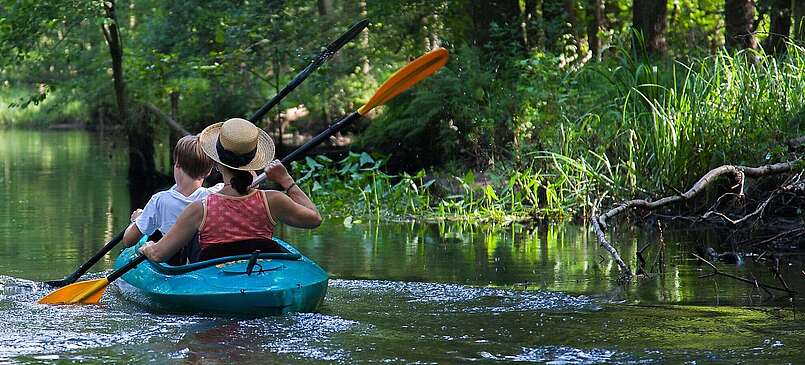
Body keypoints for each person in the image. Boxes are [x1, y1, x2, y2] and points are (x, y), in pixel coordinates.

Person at [138, 117, 321, 263]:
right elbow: (314, 219)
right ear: (253, 160)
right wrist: (286, 180)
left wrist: (146, 247)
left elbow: (158, 255)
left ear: (216, 163)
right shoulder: (273, 200)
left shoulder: (199, 209)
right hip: (259, 276)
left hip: (214, 283)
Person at [121, 135, 222, 261]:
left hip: (172, 262)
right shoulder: (216, 195)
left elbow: (128, 240)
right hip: (200, 260)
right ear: (208, 172)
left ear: (177, 164)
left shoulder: (159, 201)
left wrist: (138, 219)